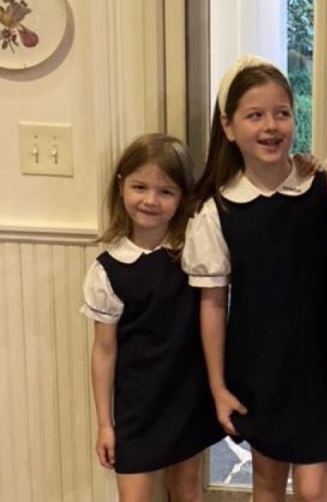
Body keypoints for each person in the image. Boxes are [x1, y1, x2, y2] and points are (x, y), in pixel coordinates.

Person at [183, 57, 327, 502]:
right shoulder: (216, 212)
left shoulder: (322, 189)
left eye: (282, 113)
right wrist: (219, 387)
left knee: (314, 483)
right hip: (259, 366)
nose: (271, 125)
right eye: (254, 115)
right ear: (228, 125)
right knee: (266, 478)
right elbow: (211, 306)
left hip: (319, 359)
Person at [81, 133, 223, 502]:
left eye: (166, 191)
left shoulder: (194, 249)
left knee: (187, 489)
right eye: (140, 187)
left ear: (182, 197)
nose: (150, 200)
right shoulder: (107, 270)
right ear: (121, 187)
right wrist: (104, 424)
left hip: (187, 394)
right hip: (136, 407)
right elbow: (104, 351)